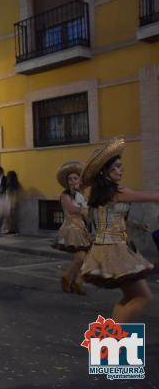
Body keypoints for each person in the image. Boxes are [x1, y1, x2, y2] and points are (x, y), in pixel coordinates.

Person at [80, 137, 155, 323]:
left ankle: (114, 342)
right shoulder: (116, 192)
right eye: (115, 167)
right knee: (143, 297)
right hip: (114, 249)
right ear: (104, 172)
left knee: (130, 297)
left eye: (121, 166)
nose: (120, 170)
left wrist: (136, 225)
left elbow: (112, 219)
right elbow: (151, 196)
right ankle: (115, 341)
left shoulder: (104, 193)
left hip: (111, 246)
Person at [52, 162, 91, 296]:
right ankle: (67, 278)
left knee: (86, 259)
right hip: (71, 229)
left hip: (82, 229)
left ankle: (77, 283)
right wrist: (85, 210)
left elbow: (90, 210)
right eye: (70, 179)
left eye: (75, 178)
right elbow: (72, 209)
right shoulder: (65, 195)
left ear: (80, 180)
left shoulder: (83, 195)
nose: (73, 181)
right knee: (80, 258)